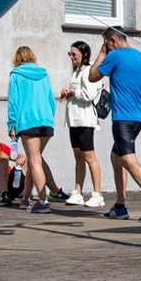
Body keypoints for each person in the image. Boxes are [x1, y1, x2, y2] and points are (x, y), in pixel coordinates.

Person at [89, 27, 141, 221]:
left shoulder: (115, 56)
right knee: (116, 158)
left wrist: (101, 54)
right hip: (138, 119)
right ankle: (120, 206)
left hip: (122, 118)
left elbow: (92, 76)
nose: (107, 48)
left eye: (107, 44)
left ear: (112, 41)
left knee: (128, 159)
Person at [6, 46, 57, 213]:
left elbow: (13, 102)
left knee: (34, 160)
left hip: (28, 121)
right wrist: (50, 118)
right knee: (33, 159)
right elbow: (51, 99)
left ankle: (43, 201)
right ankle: (26, 199)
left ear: (17, 58)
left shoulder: (16, 75)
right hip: (46, 120)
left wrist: (12, 125)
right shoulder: (44, 74)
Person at [58, 40, 106, 206]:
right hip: (74, 120)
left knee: (89, 156)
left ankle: (97, 194)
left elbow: (89, 94)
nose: (71, 57)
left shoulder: (89, 71)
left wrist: (73, 91)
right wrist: (68, 93)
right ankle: (77, 191)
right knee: (78, 156)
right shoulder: (76, 71)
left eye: (74, 54)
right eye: (70, 54)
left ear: (84, 54)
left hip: (85, 120)